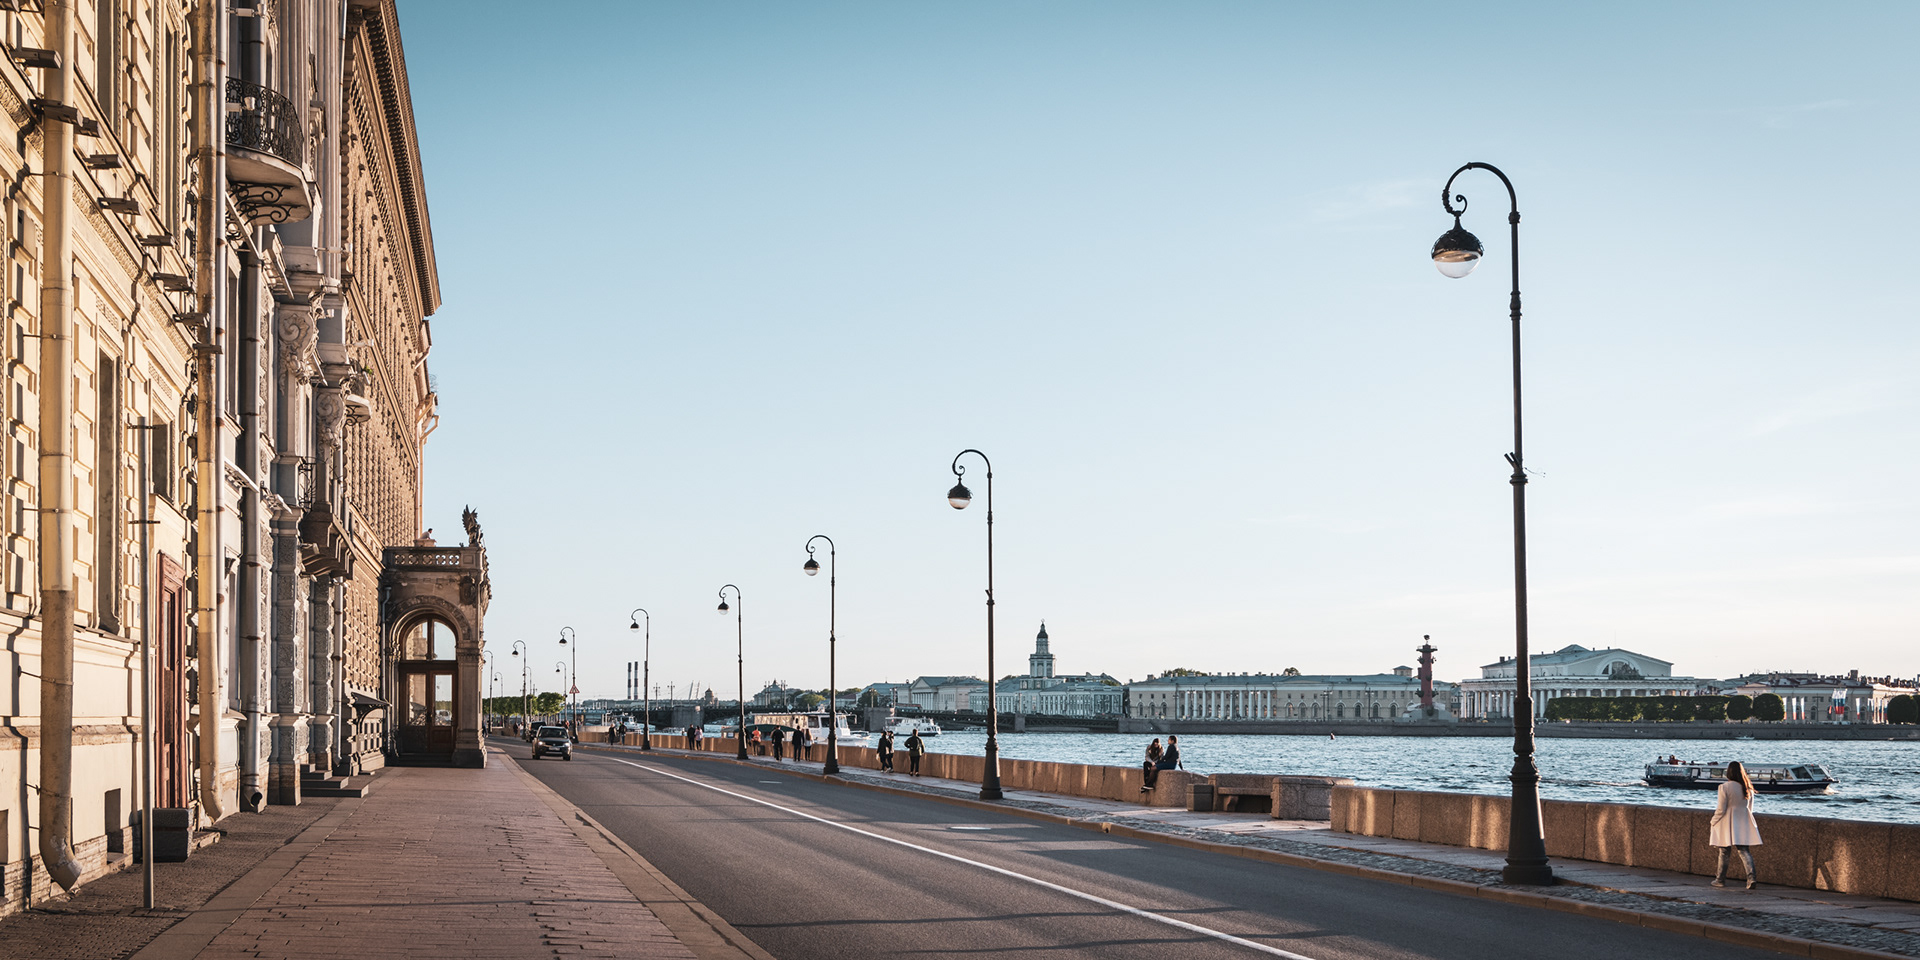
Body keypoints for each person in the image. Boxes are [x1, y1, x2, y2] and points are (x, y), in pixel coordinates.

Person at [1710, 760, 1763, 889]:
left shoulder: (1724, 787)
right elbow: (1750, 809)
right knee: (1744, 851)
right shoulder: (1748, 788)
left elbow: (1721, 809)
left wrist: (1713, 821)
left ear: (1729, 772)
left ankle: (1720, 880)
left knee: (1724, 852)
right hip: (1743, 821)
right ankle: (1751, 879)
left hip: (1727, 822)